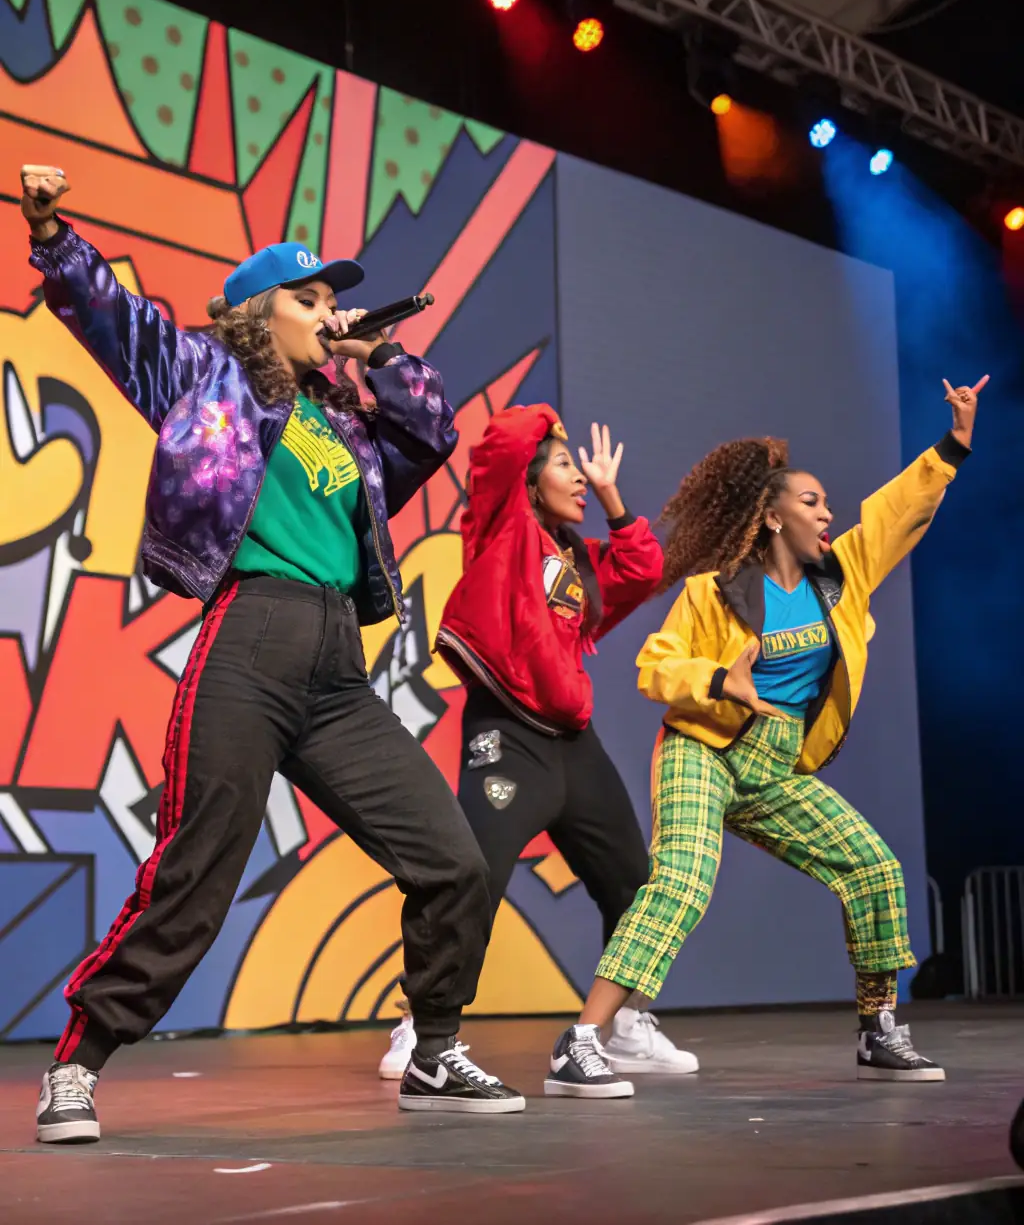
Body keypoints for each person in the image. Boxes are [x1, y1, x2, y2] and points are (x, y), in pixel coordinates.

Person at [21, 163, 525, 1143]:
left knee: (451, 859)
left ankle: (434, 1050)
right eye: (309, 298)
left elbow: (427, 431)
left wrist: (374, 350)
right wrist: (51, 234)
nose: (328, 311)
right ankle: (77, 1066)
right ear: (259, 314)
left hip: (336, 669)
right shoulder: (205, 378)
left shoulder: (343, 422)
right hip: (251, 639)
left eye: (334, 298)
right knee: (199, 866)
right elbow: (113, 317)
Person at [544, 377, 987, 1097]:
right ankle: (583, 1039)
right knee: (682, 880)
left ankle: (878, 1028)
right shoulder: (714, 590)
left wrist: (953, 446)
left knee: (873, 866)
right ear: (773, 515)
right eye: (811, 502)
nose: (828, 512)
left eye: (825, 503)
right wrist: (722, 680)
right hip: (705, 747)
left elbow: (895, 509)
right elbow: (655, 666)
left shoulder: (840, 577)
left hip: (778, 764)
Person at [378, 406, 698, 1085]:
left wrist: (612, 499)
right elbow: (498, 449)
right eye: (562, 463)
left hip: (573, 746)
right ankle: (422, 1022)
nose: (578, 476)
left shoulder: (575, 560)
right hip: (508, 735)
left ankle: (627, 1022)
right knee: (474, 880)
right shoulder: (502, 531)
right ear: (525, 480)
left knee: (635, 886)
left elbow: (642, 570)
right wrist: (545, 424)